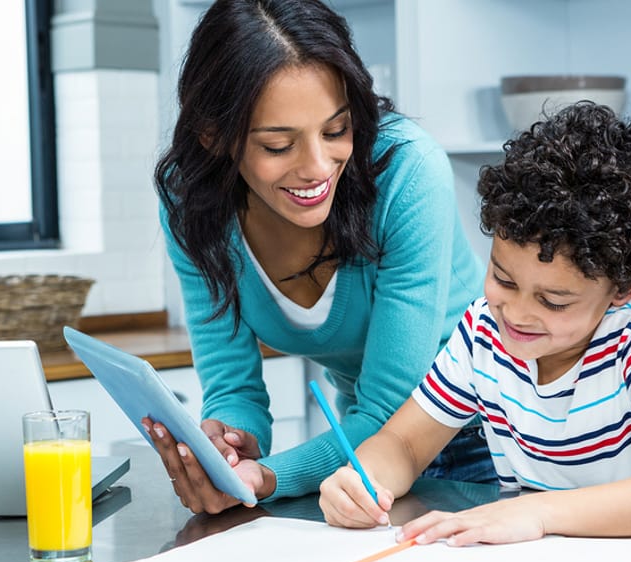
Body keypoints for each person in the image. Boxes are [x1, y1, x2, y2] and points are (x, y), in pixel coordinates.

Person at [319, 102, 631, 545]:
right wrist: (363, 479)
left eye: (554, 300)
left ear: (623, 289)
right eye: (503, 279)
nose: (517, 314)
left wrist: (537, 511)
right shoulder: (483, 331)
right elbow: (405, 445)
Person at [147, 0, 493, 514]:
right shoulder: (192, 201)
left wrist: (266, 478)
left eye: (336, 131)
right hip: (361, 451)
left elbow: (390, 410)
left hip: (485, 442)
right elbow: (232, 383)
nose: (317, 167)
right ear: (213, 136)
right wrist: (227, 448)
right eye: (278, 145)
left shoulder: (407, 174)